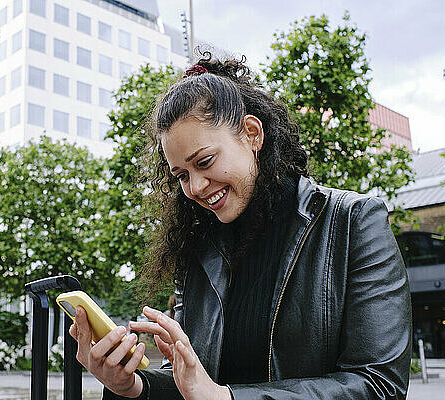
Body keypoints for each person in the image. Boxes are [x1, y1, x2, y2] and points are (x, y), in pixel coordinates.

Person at [69, 54, 412, 399]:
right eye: (182, 176)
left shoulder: (355, 221)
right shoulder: (198, 251)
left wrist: (227, 398)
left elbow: (380, 386)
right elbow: (195, 385)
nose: (196, 188)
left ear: (252, 134)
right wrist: (131, 386)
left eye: (204, 162)